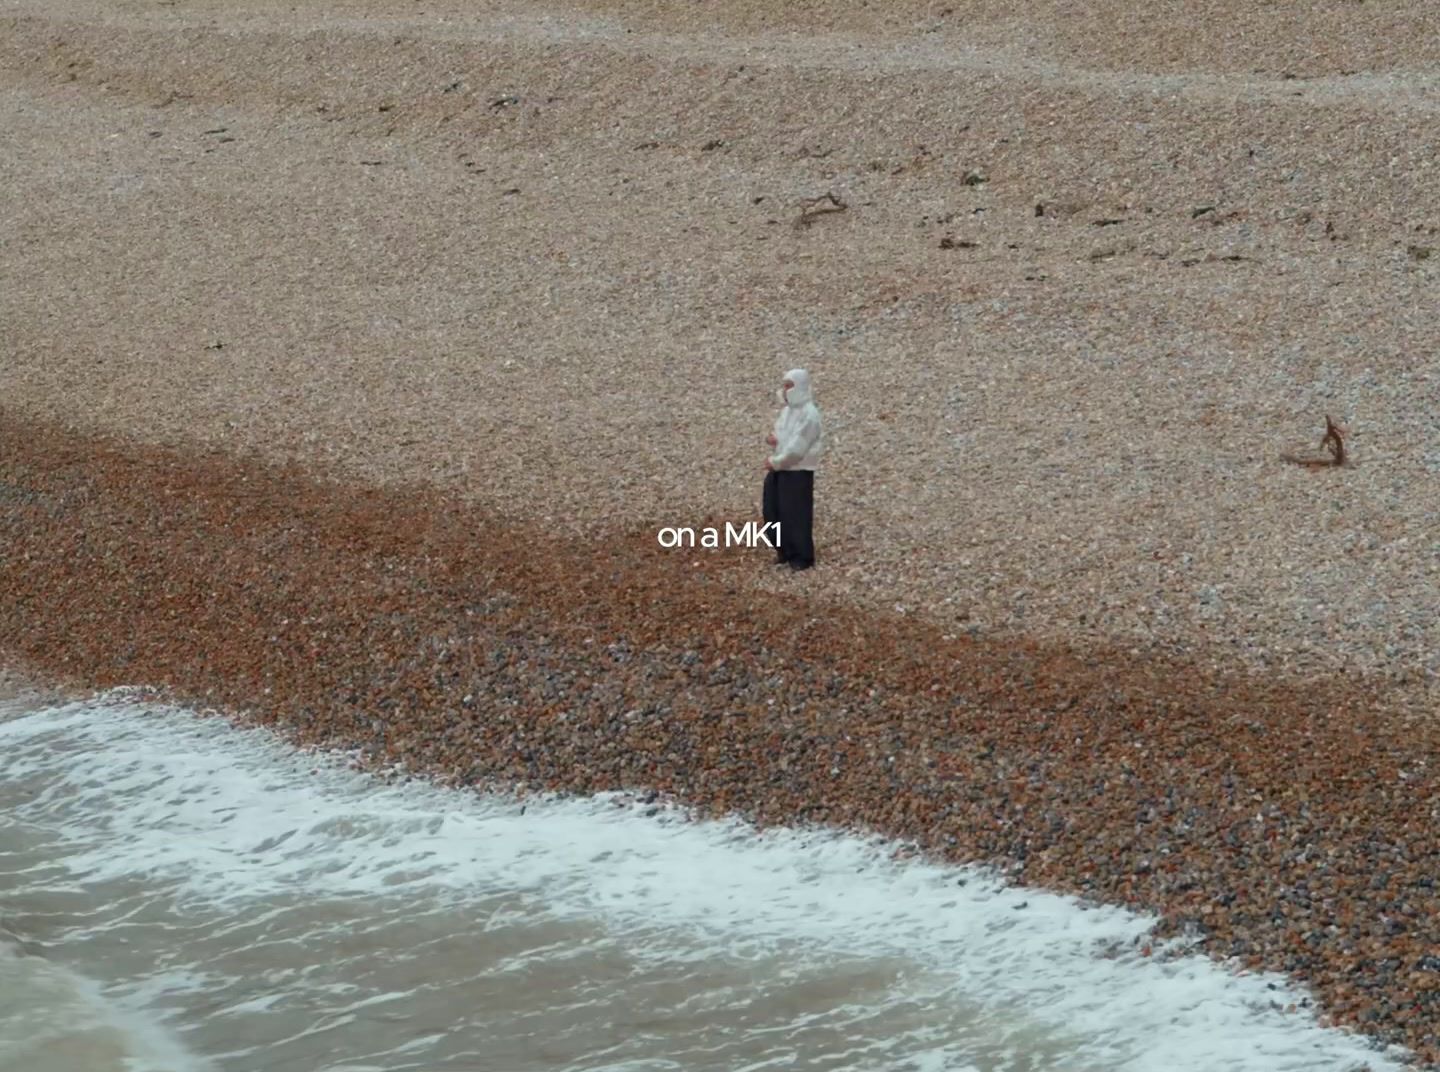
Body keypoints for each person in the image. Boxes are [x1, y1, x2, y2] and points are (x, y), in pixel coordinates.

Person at [762, 368, 823, 570]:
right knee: (773, 510)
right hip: (780, 467)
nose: (785, 390)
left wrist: (777, 461)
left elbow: (798, 448)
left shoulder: (810, 414)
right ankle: (784, 550)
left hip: (798, 471)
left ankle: (801, 556)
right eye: (784, 386)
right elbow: (785, 435)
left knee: (795, 513)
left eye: (789, 386)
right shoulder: (788, 411)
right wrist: (775, 440)